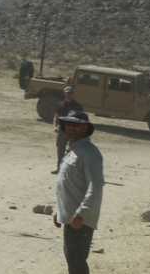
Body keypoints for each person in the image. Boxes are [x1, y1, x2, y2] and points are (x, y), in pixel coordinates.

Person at [53, 109, 104, 274]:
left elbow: (95, 186)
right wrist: (59, 209)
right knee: (72, 258)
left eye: (76, 125)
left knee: (76, 261)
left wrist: (81, 214)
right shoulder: (73, 151)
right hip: (71, 216)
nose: (71, 128)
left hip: (80, 220)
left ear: (85, 128)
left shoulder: (89, 153)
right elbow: (66, 184)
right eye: (68, 124)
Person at [53, 84, 84, 173]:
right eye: (67, 93)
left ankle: (70, 170)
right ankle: (59, 168)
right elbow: (56, 116)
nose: (68, 95)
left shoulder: (78, 106)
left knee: (72, 151)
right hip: (62, 130)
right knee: (60, 150)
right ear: (64, 93)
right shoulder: (60, 104)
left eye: (70, 93)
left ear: (73, 94)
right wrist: (55, 126)